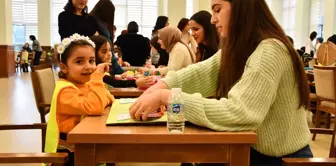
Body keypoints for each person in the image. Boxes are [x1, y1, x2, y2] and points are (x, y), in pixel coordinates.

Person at [129, 0, 312, 166]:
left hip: (280, 159)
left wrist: (168, 97)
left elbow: (240, 112)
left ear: (242, 7)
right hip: (254, 150)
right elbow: (201, 73)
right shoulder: (240, 47)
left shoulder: (270, 50)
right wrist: (162, 86)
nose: (213, 20)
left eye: (217, 10)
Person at [44, 34, 114, 166]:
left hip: (86, 142)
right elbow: (96, 106)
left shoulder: (84, 84)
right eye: (79, 62)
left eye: (92, 61)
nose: (88, 67)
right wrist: (96, 78)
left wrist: (99, 96)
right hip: (68, 155)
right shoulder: (65, 90)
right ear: (64, 67)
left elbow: (109, 98)